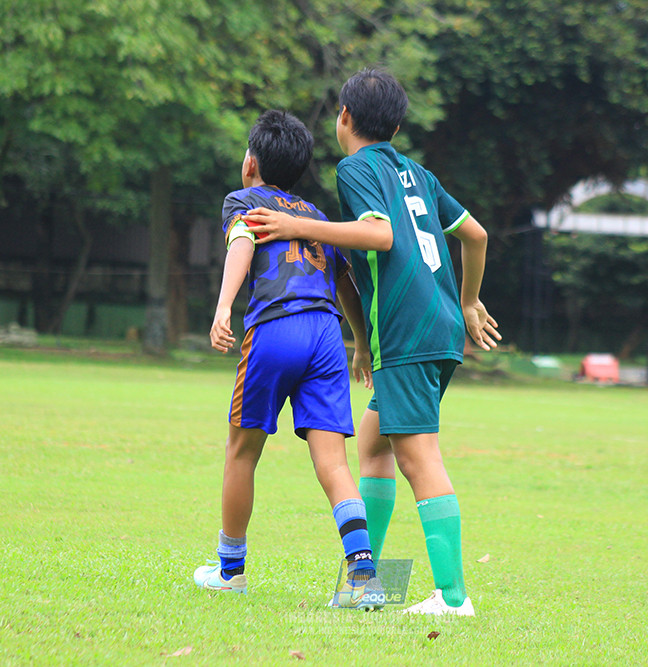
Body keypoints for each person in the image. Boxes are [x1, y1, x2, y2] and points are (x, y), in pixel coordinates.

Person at [245, 68, 500, 616]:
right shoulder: (419, 173)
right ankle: (367, 584)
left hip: (408, 330)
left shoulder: (356, 167)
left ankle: (453, 599)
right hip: (437, 327)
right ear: (399, 124)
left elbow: (379, 235)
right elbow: (475, 235)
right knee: (374, 443)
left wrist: (300, 228)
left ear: (344, 118)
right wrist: (468, 301)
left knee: (418, 455)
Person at [192, 110, 382, 608]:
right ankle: (364, 577)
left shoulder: (246, 200)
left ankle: (230, 571)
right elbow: (346, 284)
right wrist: (359, 342)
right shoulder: (315, 217)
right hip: (325, 336)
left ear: (250, 163)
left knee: (242, 452)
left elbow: (240, 241)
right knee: (333, 461)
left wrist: (223, 306)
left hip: (275, 327)